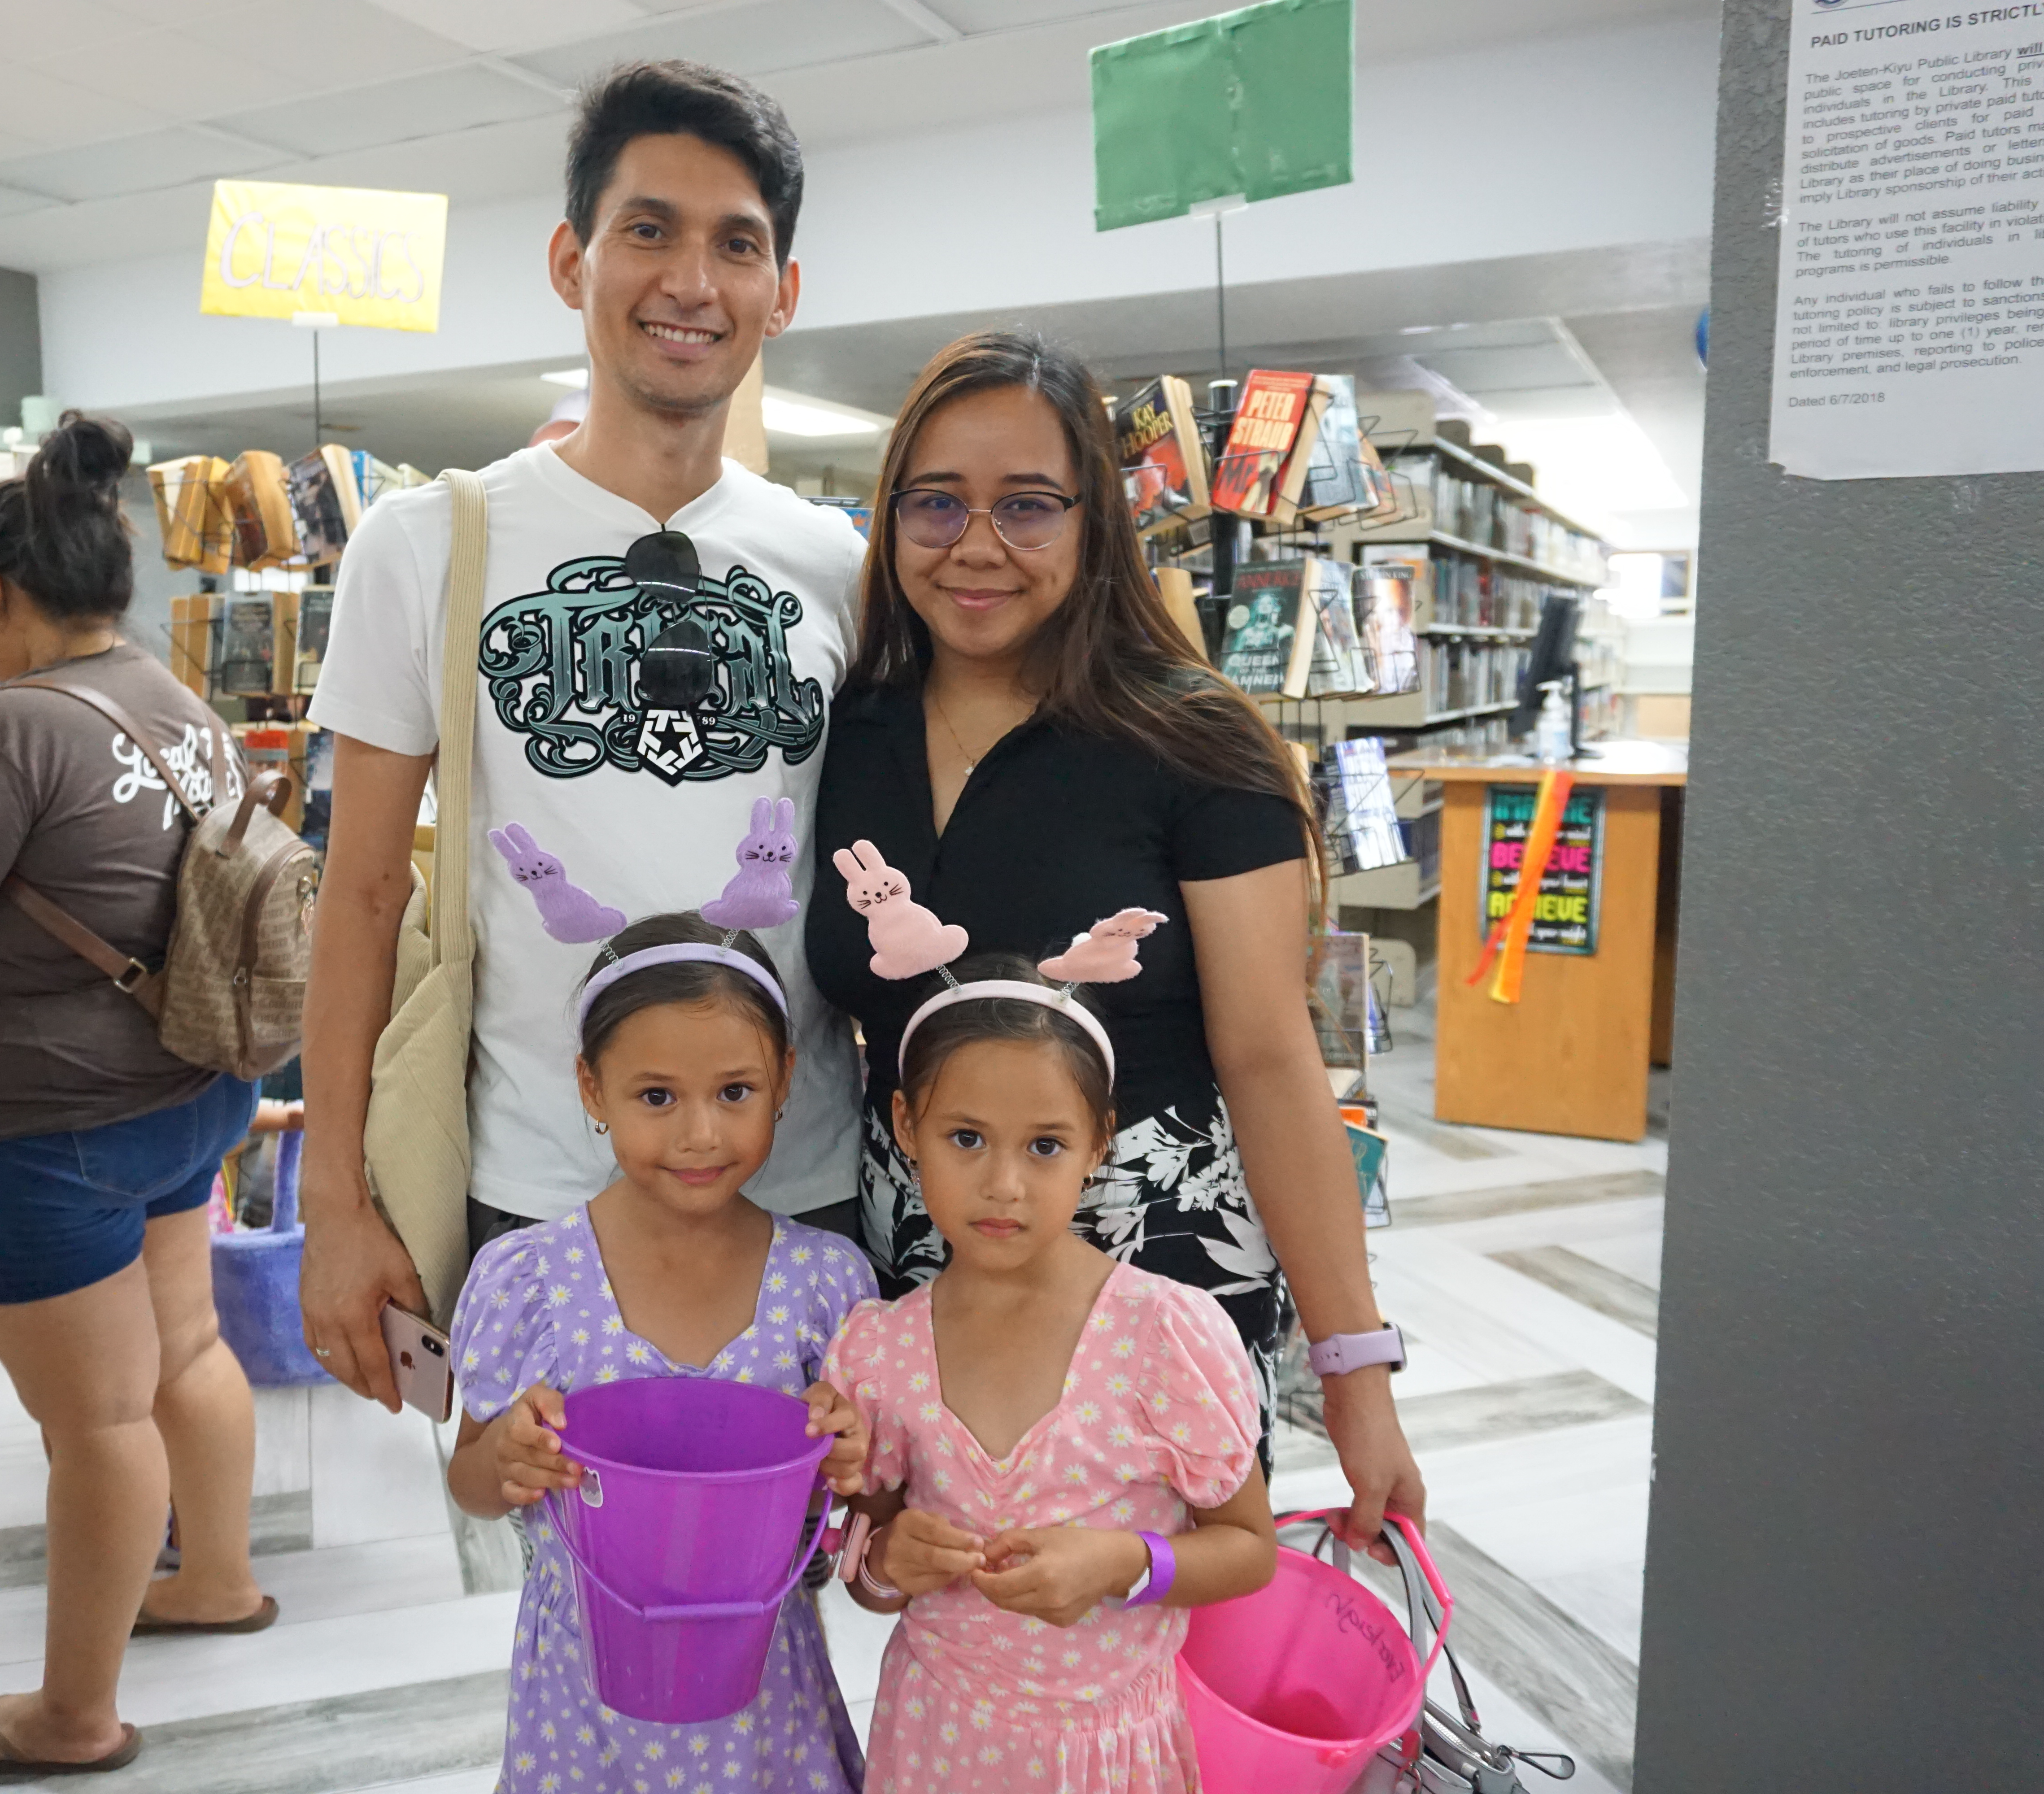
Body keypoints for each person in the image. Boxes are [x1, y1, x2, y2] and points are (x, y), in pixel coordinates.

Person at [298, 59, 868, 1397]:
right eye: (649, 231)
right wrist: (333, 1202)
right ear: (573, 260)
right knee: (578, 1568)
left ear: (782, 294)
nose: (691, 282)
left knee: (778, 1574)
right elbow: (365, 892)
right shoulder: (428, 543)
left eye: (738, 244)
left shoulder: (836, 566)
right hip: (542, 1191)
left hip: (803, 1191)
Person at [801, 331, 1424, 1544]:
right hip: (927, 1289)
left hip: (1161, 1285)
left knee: (1156, 1674)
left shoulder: (1198, 742)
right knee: (970, 1648)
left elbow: (1269, 1059)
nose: (976, 545)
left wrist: (1356, 1368)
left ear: (1096, 521)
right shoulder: (844, 732)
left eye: (1027, 506)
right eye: (937, 504)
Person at [0, 413, 269, 1777]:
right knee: (187, 1355)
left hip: (41, 1132)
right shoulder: (174, 703)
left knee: (97, 1421)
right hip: (181, 1089)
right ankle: (216, 1578)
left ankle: (74, 1718)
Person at [823, 956, 1279, 1792]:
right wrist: (888, 1560)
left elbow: (1250, 1550)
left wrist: (1121, 1562)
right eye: (966, 1139)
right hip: (934, 1743)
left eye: (1045, 1146)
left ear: (1099, 1141)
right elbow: (864, 1566)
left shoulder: (1163, 1334)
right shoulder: (880, 1350)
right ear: (905, 1124)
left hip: (1108, 1759)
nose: (1004, 1185)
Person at [445, 904, 873, 1793]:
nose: (699, 1134)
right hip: (584, 1703)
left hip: (763, 1702)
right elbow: (474, 1483)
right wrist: (511, 1456)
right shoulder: (533, 1277)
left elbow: (863, 1503)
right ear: (592, 1089)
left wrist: (852, 1453)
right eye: (655, 1096)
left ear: (785, 1080)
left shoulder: (824, 1283)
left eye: (734, 1091)